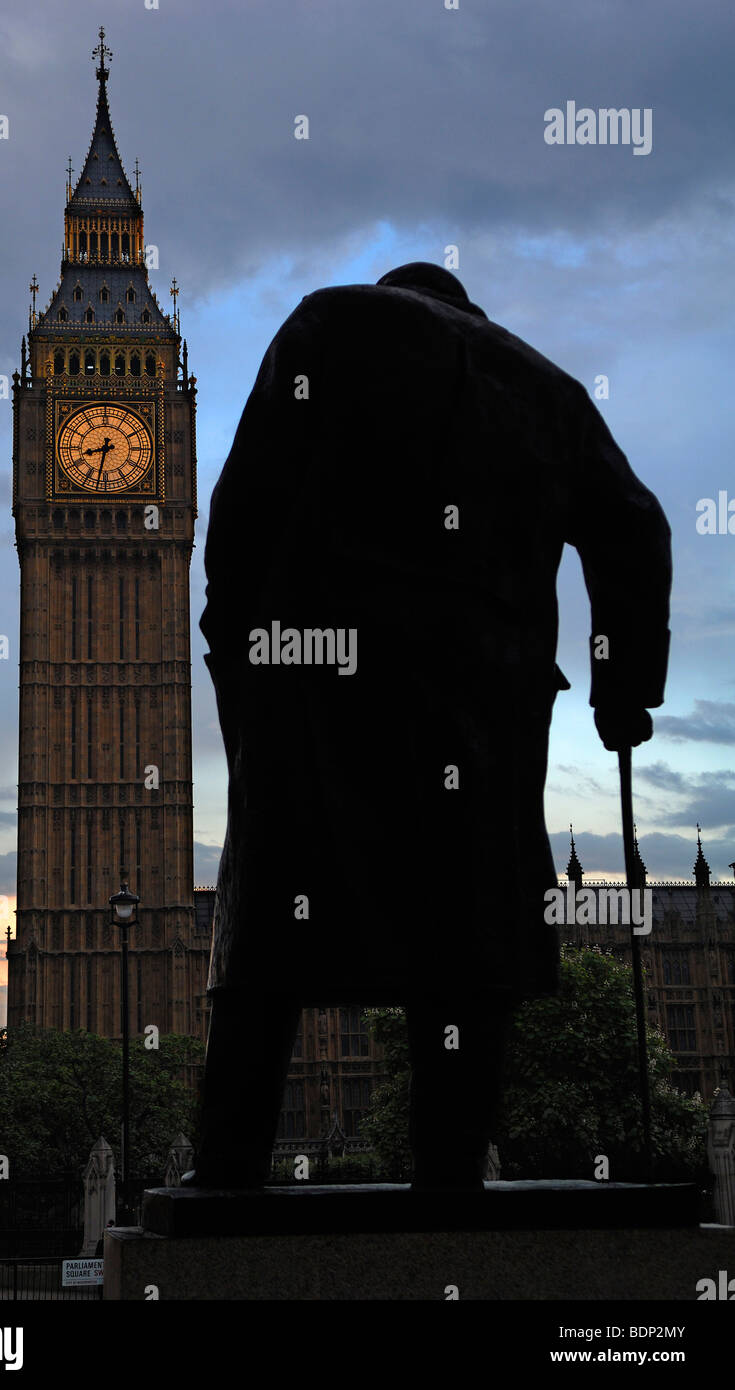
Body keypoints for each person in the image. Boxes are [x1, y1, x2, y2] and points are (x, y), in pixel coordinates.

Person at [193, 261, 671, 1190]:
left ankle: (223, 1170)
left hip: (322, 675)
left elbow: (242, 507)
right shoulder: (548, 387)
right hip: (481, 694)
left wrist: (234, 642)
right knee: (466, 927)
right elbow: (636, 528)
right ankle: (452, 1174)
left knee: (274, 913)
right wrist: (623, 687)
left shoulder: (326, 322)